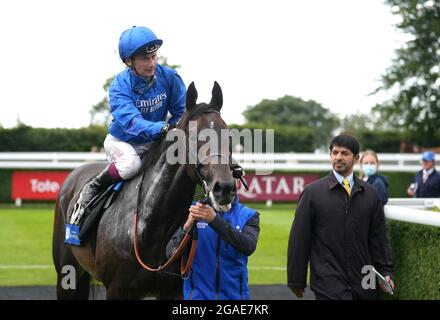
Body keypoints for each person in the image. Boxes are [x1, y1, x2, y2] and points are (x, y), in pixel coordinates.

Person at [71, 26, 186, 223]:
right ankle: (95, 185)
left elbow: (180, 112)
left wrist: (175, 127)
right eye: (144, 59)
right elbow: (132, 122)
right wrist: (163, 128)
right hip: (123, 141)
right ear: (128, 61)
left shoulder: (170, 77)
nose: (151, 64)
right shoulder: (119, 86)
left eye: (154, 56)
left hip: (157, 140)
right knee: (131, 165)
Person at [287, 134, 395, 300]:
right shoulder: (312, 193)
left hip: (365, 282)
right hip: (327, 282)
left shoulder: (371, 194)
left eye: (344, 153)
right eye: (334, 152)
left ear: (356, 158)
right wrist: (296, 279)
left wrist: (386, 271)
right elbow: (299, 238)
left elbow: (378, 238)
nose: (338, 157)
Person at [166, 194, 260, 300]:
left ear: (238, 179)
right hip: (197, 297)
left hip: (235, 297)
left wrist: (213, 219)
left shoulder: (249, 215)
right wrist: (187, 226)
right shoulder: (192, 210)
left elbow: (248, 246)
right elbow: (171, 254)